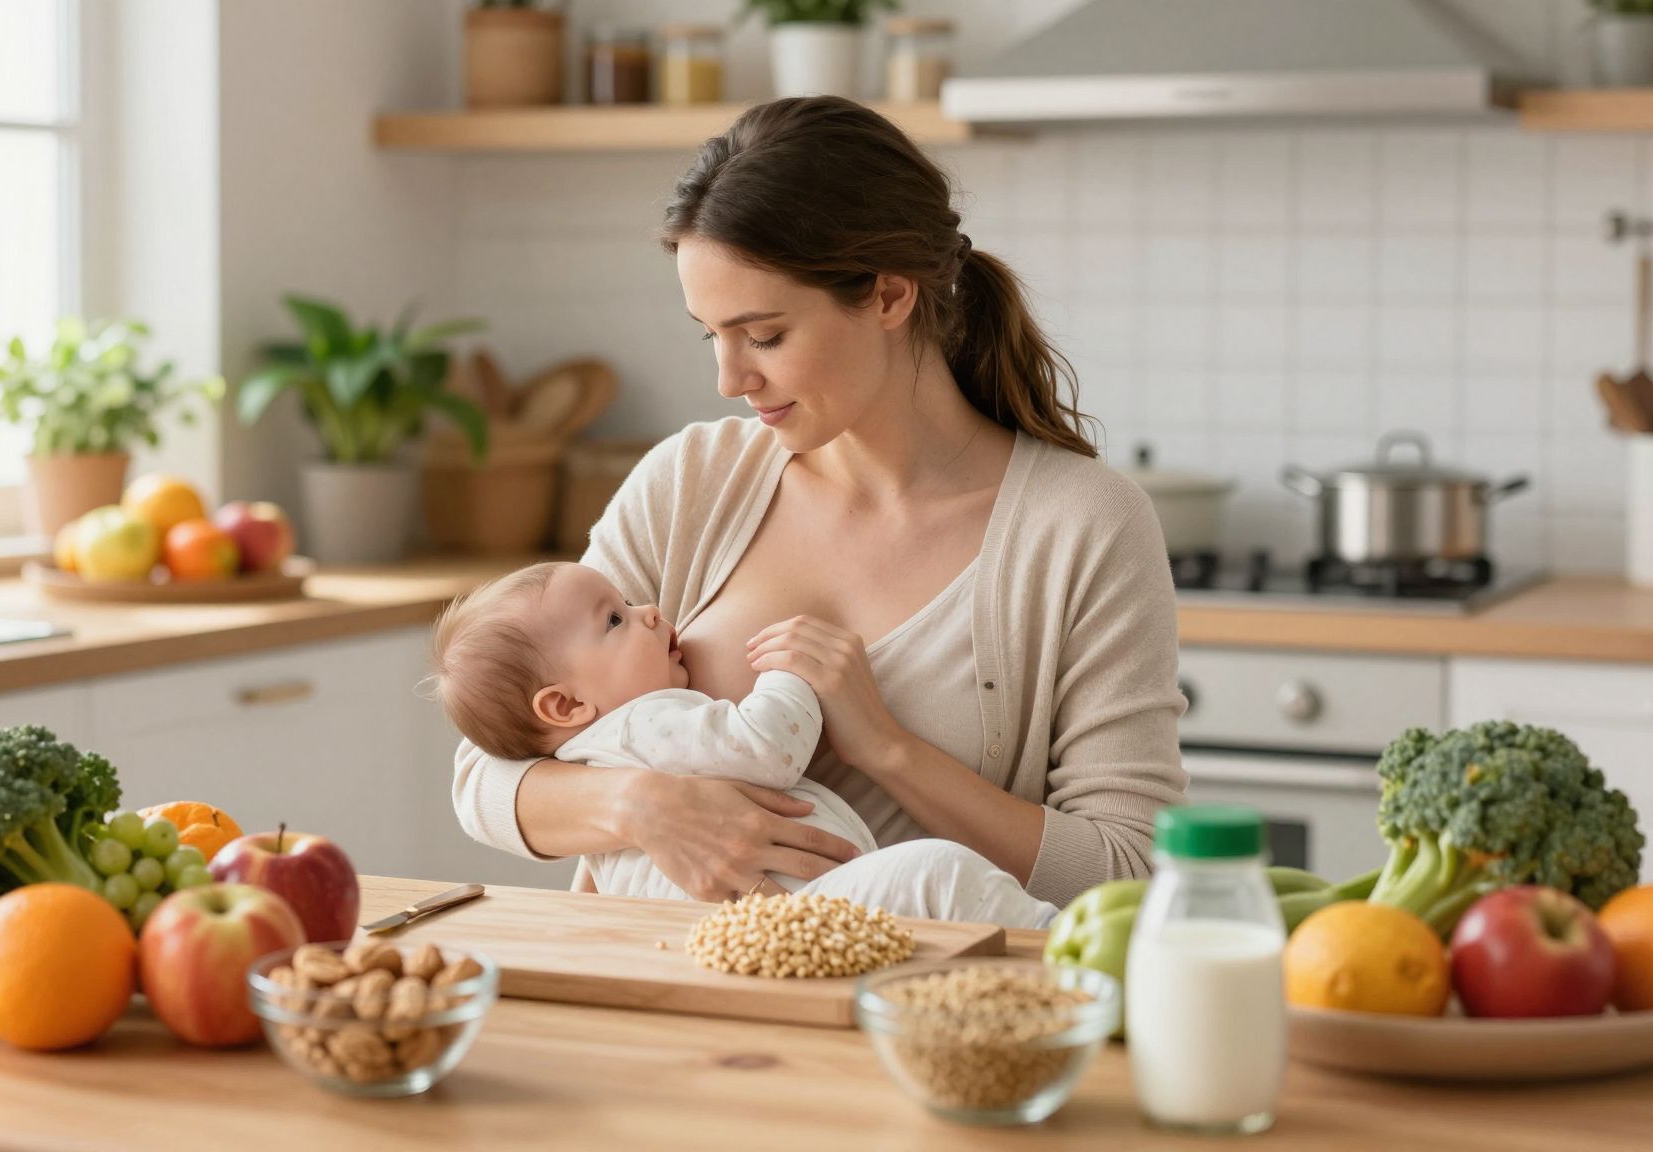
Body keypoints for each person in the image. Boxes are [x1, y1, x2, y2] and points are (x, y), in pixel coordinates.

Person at [453, 96, 1187, 909]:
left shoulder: (1082, 527)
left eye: (763, 336)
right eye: (713, 336)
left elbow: (1131, 872)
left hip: (928, 1015)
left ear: (888, 297)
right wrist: (647, 806)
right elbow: (488, 771)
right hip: (676, 1006)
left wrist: (888, 749)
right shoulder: (690, 482)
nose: (730, 380)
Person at [428, 560, 1062, 928]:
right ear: (565, 706)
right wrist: (792, 673)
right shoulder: (641, 725)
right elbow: (768, 748)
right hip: (785, 921)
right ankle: (1057, 948)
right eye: (615, 619)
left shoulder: (588, 754)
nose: (650, 609)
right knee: (936, 873)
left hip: (745, 932)